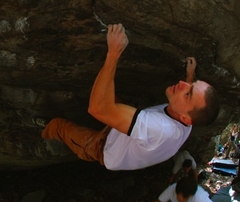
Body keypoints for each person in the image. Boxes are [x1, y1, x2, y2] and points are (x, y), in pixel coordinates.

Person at [33, 23, 220, 171]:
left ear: (185, 118)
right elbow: (191, 103)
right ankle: (112, 115)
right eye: (191, 85)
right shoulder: (189, 118)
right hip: (126, 131)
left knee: (60, 125)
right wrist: (190, 76)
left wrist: (114, 52)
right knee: (112, 95)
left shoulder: (159, 128)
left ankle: (45, 128)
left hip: (105, 148)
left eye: (188, 92)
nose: (182, 84)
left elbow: (97, 108)